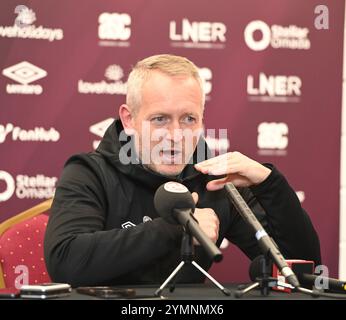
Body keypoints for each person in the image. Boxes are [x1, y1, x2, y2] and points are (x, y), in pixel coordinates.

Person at [44, 54, 321, 287]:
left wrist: (269, 183)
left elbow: (299, 269)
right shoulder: (89, 172)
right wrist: (178, 227)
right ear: (129, 120)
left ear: (202, 120)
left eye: (189, 119)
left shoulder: (214, 181)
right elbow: (66, 263)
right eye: (160, 119)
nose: (176, 135)